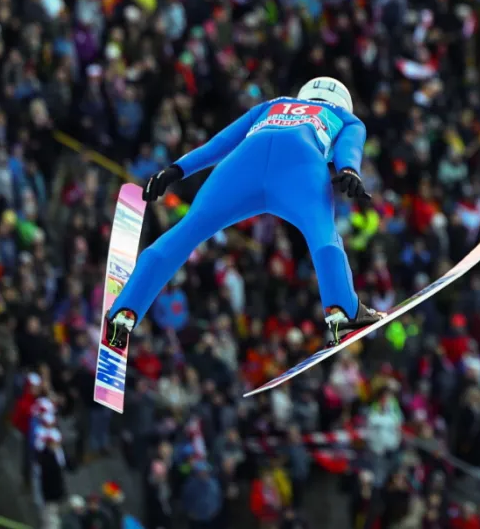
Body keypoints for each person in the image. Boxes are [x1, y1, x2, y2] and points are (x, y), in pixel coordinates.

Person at [105, 77, 384, 351]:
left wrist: (176, 169)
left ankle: (125, 311)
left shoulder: (272, 105)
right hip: (299, 165)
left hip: (241, 166)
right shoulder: (346, 118)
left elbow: (221, 142)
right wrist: (349, 169)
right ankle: (343, 313)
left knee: (186, 232)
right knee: (323, 235)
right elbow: (350, 146)